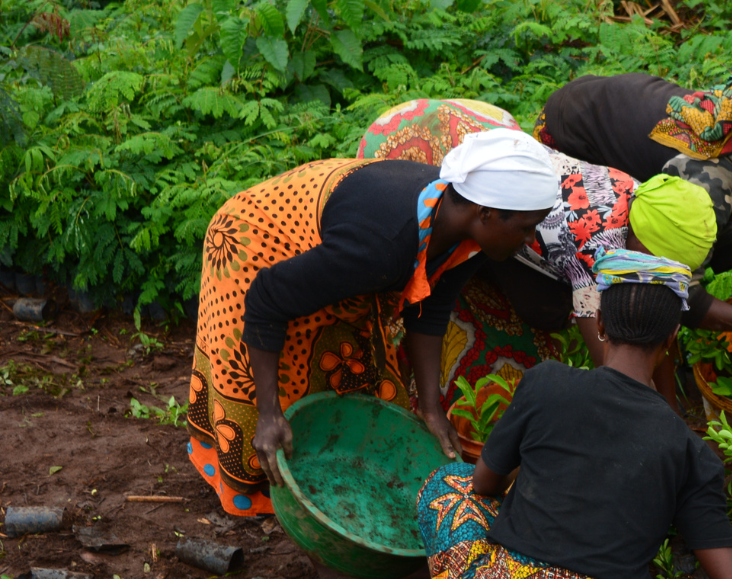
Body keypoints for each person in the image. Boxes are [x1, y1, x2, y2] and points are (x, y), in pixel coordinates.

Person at [414, 250, 732, 579]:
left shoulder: (546, 382)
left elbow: (486, 484)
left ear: (603, 323)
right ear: (671, 338)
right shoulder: (691, 451)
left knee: (448, 484)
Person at [187, 128, 558, 516]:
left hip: (336, 243)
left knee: (355, 367)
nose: (530, 240)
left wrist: (431, 407)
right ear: (484, 213)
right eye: (526, 227)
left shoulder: (466, 229)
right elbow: (265, 300)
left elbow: (431, 306)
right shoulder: (380, 247)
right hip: (258, 241)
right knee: (281, 382)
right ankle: (271, 498)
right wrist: (268, 412)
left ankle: (336, 479)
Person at [356, 99, 717, 411]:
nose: (654, 273)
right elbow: (612, 364)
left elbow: (658, 315)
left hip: (486, 138)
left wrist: (669, 404)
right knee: (409, 274)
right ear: (640, 240)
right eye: (656, 263)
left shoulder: (648, 197)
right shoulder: (596, 243)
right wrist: (655, 410)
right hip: (425, 145)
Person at [533, 72, 732, 347]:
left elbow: (713, 218)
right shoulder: (712, 178)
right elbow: (676, 290)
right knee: (595, 268)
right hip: (572, 130)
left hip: (596, 96)